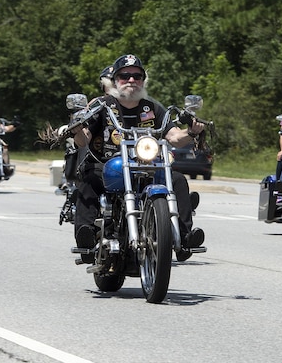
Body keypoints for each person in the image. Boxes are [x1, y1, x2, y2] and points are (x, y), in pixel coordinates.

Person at [71, 54, 206, 252]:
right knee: (89, 179)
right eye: (125, 75)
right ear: (115, 81)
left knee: (177, 180)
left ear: (143, 80)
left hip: (146, 166)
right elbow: (83, 139)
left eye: (137, 76)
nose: (131, 80)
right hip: (107, 165)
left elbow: (175, 137)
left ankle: (184, 237)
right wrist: (77, 130)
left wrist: (192, 131)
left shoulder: (152, 108)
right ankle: (87, 236)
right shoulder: (102, 105)